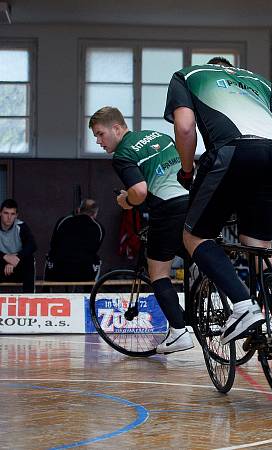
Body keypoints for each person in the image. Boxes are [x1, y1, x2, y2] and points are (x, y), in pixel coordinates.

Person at [164, 57, 272, 361]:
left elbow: (185, 128)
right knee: (260, 249)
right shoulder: (259, 81)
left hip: (232, 152)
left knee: (194, 237)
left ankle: (243, 305)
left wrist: (186, 172)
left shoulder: (187, 75)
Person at [89, 106, 193, 354]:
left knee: (158, 272)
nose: (98, 140)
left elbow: (140, 191)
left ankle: (179, 332)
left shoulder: (123, 154)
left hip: (167, 208)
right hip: (191, 201)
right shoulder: (158, 136)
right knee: (196, 253)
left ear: (117, 128)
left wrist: (126, 201)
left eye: (100, 134)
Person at [46, 198, 105, 281]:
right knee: (96, 260)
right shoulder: (99, 227)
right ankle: (90, 291)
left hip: (59, 270)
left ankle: (46, 291)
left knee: (50, 256)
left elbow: (53, 244)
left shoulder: (63, 221)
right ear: (95, 213)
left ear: (78, 209)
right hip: (85, 272)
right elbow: (95, 249)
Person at [0, 199, 37, 292]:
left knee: (29, 259)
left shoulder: (21, 226)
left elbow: (32, 245)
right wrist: (5, 256)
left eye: (12, 214)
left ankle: (28, 299)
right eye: (6, 213)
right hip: (1, 266)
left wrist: (15, 259)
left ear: (16, 215)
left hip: (17, 267)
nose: (9, 217)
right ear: (0, 213)